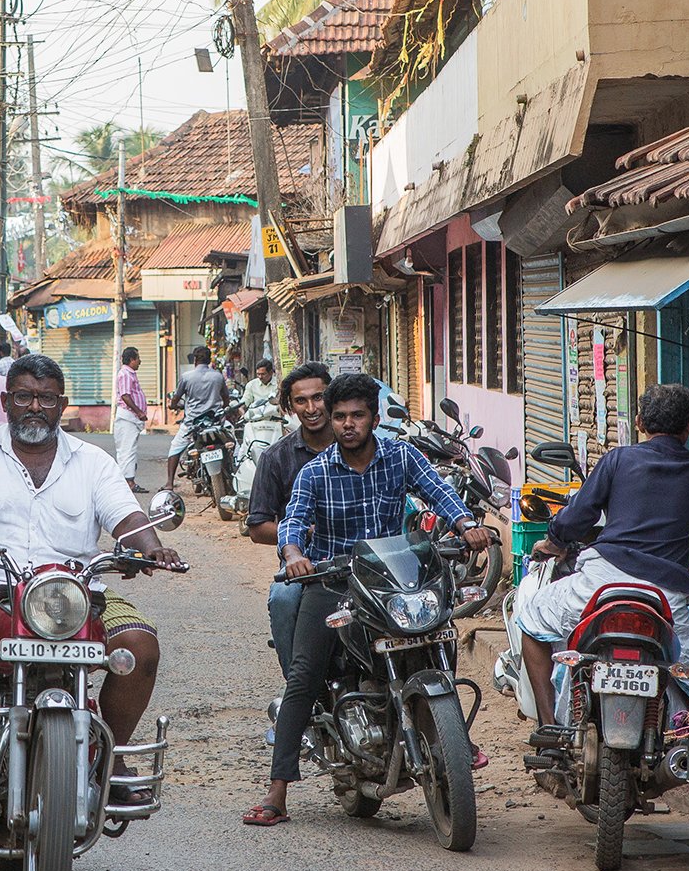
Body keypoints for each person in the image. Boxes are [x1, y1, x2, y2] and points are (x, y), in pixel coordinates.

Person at [0, 354, 183, 825]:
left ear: (61, 405)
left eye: (46, 398)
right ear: (6, 401)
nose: (35, 407)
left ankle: (111, 759)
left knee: (140, 644)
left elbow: (127, 516)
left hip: (76, 593)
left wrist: (152, 547)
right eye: (25, 396)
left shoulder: (93, 462)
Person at [243, 373, 491, 826]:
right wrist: (294, 554)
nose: (347, 424)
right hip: (334, 580)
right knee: (303, 675)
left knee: (439, 633)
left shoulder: (401, 456)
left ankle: (451, 733)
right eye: (340, 416)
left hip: (393, 579)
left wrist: (466, 525)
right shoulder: (315, 472)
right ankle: (277, 790)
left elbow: (440, 492)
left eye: (357, 415)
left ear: (375, 418)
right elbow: (293, 521)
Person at [519, 383, 689, 743]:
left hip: (600, 582)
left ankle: (549, 729)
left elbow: (577, 516)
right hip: (665, 598)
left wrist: (553, 542)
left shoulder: (617, 460)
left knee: (530, 619)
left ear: (639, 423)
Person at [247, 363, 333, 681]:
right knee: (283, 599)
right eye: (301, 401)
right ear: (290, 407)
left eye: (318, 397)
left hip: (360, 556)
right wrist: (302, 535)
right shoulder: (276, 457)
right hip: (302, 565)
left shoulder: (357, 445)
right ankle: (298, 683)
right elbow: (257, 527)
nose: (311, 408)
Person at [165, 346, 229, 489]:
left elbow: (176, 397)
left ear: (195, 360)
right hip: (215, 422)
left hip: (192, 424)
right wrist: (223, 408)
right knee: (233, 445)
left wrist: (173, 405)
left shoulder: (187, 377)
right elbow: (226, 398)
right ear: (209, 360)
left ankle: (169, 483)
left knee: (175, 448)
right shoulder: (218, 376)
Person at [113, 347, 149, 493]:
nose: (140, 361)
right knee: (127, 450)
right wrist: (139, 412)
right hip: (127, 417)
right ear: (131, 360)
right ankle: (128, 483)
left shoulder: (130, 374)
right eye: (138, 358)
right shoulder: (126, 374)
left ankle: (128, 481)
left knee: (129, 449)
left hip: (131, 418)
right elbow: (125, 396)